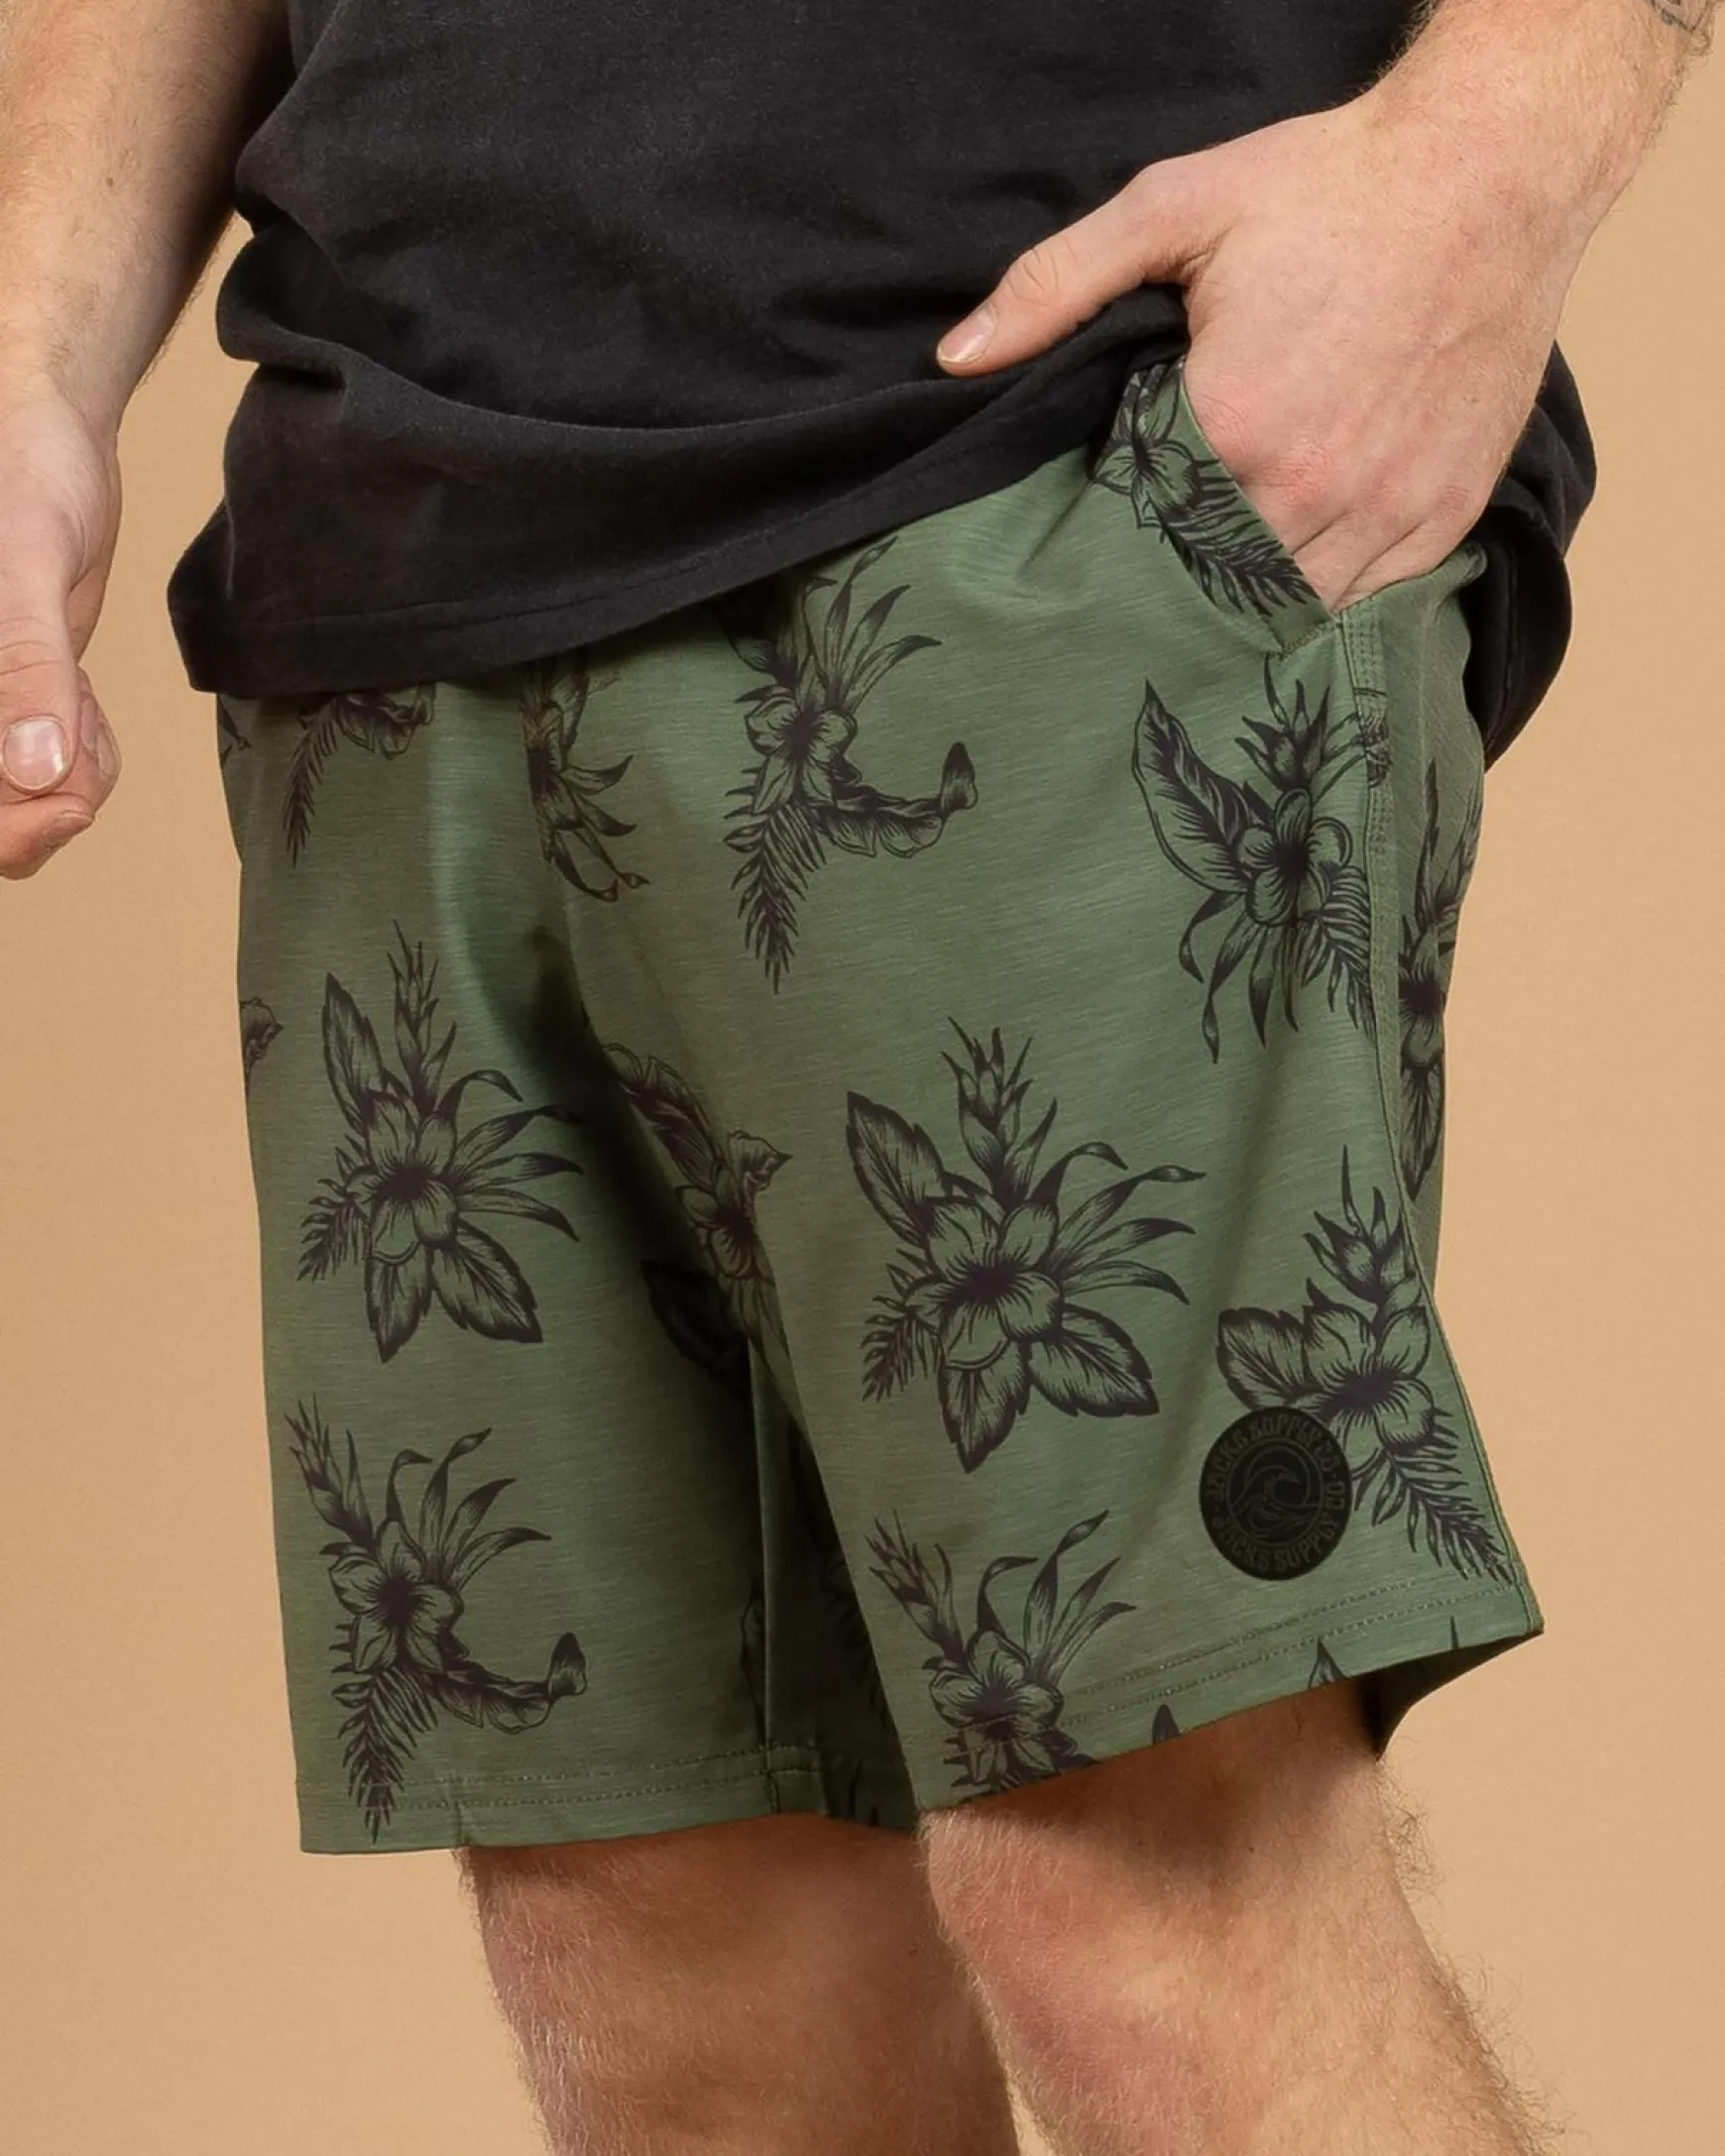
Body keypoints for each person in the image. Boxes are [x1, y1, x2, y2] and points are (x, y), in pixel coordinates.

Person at [0, 1, 1708, 2149]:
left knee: (1149, 1904)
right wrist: (30, 350)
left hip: (1042, 455)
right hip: (394, 571)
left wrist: (1495, 150)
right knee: (662, 1962)